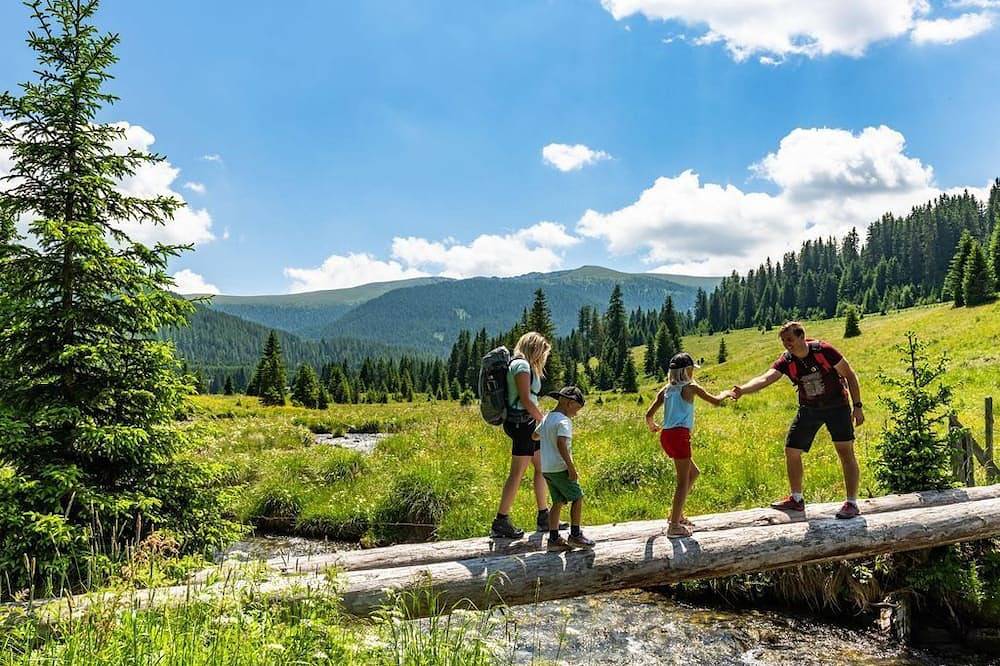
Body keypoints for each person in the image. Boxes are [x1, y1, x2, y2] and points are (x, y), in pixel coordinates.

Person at [731, 321, 865, 519]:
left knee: (845, 451)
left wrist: (858, 407)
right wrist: (743, 389)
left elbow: (850, 375)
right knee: (792, 450)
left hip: (837, 407)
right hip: (809, 409)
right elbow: (766, 378)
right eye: (784, 341)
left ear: (802, 336)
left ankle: (852, 503)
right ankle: (796, 499)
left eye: (790, 340)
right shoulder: (787, 360)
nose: (787, 344)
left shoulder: (824, 350)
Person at [645, 352, 733, 537]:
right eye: (692, 369)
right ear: (687, 371)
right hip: (679, 435)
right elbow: (716, 401)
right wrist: (726, 393)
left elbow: (648, 414)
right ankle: (674, 526)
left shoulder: (666, 390)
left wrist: (652, 425)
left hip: (667, 436)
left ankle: (675, 515)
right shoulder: (691, 387)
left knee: (694, 473)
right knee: (682, 482)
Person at [491, 331, 556, 539]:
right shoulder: (521, 366)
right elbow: (526, 400)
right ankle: (501, 521)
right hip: (522, 426)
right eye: (542, 354)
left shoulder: (522, 364)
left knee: (541, 467)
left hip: (527, 424)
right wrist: (544, 421)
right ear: (534, 348)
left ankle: (544, 516)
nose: (542, 359)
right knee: (517, 473)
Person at [533, 386, 595, 551]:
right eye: (577, 408)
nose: (576, 413)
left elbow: (534, 435)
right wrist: (571, 467)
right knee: (577, 497)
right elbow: (561, 443)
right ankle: (575, 535)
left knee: (558, 501)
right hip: (560, 468)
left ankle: (553, 539)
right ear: (570, 403)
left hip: (546, 468)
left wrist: (547, 434)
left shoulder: (547, 418)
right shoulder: (564, 421)